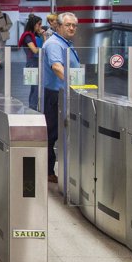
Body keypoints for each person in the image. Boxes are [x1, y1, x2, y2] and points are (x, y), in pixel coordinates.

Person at [41, 11, 80, 184]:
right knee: (51, 133)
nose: (72, 28)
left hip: (64, 93)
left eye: (74, 25)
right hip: (56, 95)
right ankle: (48, 170)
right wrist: (74, 84)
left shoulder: (65, 43)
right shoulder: (55, 44)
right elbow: (57, 67)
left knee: (58, 132)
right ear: (58, 26)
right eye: (68, 25)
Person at [18, 14, 44, 109]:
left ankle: (32, 107)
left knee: (35, 88)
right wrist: (44, 38)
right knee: (35, 89)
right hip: (32, 64)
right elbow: (35, 50)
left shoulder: (35, 36)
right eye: (39, 24)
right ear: (33, 25)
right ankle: (32, 107)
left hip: (36, 63)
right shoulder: (27, 36)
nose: (40, 27)